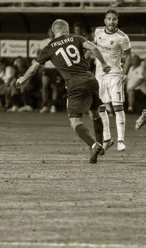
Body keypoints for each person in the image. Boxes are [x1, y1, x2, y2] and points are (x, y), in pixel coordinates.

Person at [16, 19, 111, 164]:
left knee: (74, 121)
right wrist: (104, 64)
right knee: (94, 113)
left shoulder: (49, 47)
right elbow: (93, 48)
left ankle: (94, 145)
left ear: (54, 31)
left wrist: (23, 78)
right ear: (65, 29)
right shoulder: (77, 38)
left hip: (75, 84)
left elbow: (35, 68)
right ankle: (101, 145)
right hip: (91, 80)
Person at [93, 9, 132, 153]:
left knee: (117, 107)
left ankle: (121, 139)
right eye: (109, 19)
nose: (111, 21)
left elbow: (128, 56)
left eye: (114, 19)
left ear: (117, 21)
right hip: (99, 76)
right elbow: (93, 47)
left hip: (115, 75)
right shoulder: (98, 32)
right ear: (105, 20)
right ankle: (107, 138)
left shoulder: (122, 37)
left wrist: (125, 73)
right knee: (100, 108)